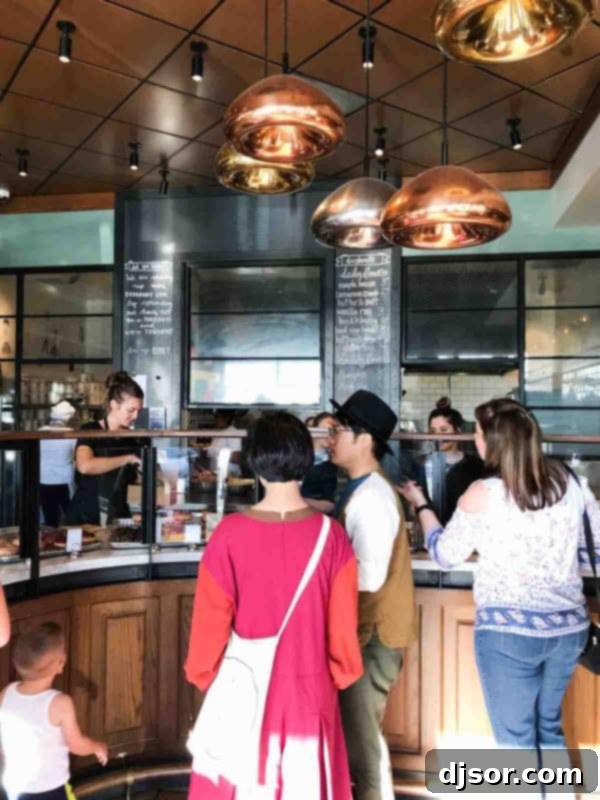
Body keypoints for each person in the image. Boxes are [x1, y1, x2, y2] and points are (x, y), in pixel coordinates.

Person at [398, 399, 600, 773]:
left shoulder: (483, 492)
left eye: (476, 433)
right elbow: (595, 553)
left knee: (515, 745)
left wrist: (422, 505)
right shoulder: (571, 483)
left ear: (492, 441)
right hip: (569, 628)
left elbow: (445, 554)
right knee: (548, 730)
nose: (474, 441)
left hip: (509, 635)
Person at [185, 411, 363, 799]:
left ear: (254, 462)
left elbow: (208, 628)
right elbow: (344, 634)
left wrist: (205, 675)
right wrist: (332, 676)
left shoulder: (228, 536)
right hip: (311, 693)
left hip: (244, 692)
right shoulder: (332, 538)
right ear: (306, 458)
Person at [328, 390, 418, 800]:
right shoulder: (360, 487)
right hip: (363, 635)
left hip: (373, 637)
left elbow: (369, 576)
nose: (331, 437)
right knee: (364, 740)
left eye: (339, 429)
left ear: (365, 440)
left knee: (364, 748)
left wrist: (317, 571)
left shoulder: (373, 497)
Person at [0, 621, 108, 800]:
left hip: (14, 787)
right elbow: (76, 744)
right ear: (61, 664)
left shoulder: (5, 693)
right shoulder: (60, 703)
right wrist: (97, 747)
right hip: (50, 790)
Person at [66, 372, 144, 525]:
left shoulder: (134, 437)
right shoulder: (90, 429)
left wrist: (149, 472)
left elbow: (136, 478)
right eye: (131, 410)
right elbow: (85, 466)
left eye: (138, 411)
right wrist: (127, 459)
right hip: (87, 513)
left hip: (119, 512)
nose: (135, 416)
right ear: (114, 405)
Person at [422, 398, 484, 524]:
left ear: (458, 431)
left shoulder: (476, 466)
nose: (438, 436)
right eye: (433, 431)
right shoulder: (421, 464)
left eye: (444, 430)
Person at [39, 401, 77, 528]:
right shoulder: (72, 434)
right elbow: (75, 457)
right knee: (70, 517)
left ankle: (50, 543)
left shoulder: (40, 432)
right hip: (65, 480)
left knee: (50, 519)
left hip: (44, 479)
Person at [301, 411, 339, 514]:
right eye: (325, 429)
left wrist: (297, 501)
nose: (328, 435)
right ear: (315, 430)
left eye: (332, 431)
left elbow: (330, 505)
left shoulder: (333, 464)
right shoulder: (298, 458)